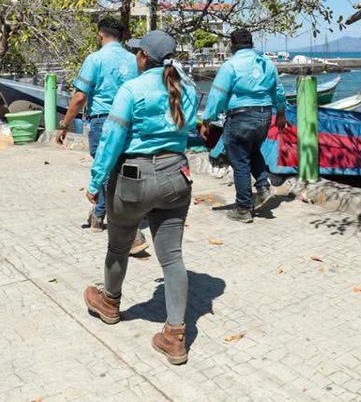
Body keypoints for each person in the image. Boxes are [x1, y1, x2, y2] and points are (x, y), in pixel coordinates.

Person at [82, 30, 200, 365]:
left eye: (138, 53)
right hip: (177, 174)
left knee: (119, 245)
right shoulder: (186, 87)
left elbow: (112, 139)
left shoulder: (131, 89)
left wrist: (95, 181)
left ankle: (109, 303)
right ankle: (175, 336)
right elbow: (191, 119)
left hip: (133, 177)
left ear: (143, 57)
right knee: (173, 258)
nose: (135, 57)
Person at [55, 17, 141, 245]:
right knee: (121, 169)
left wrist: (64, 125)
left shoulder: (95, 59)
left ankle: (114, 220)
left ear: (100, 35)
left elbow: (80, 96)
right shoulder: (134, 60)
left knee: (104, 169)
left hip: (103, 121)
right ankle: (100, 214)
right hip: (130, 121)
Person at [199, 29, 287, 223]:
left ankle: (243, 208)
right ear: (251, 43)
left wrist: (206, 121)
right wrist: (281, 113)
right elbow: (278, 90)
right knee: (254, 150)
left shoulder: (230, 65)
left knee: (239, 161)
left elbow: (217, 95)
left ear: (232, 45)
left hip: (240, 117)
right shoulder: (266, 63)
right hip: (264, 115)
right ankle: (263, 188)